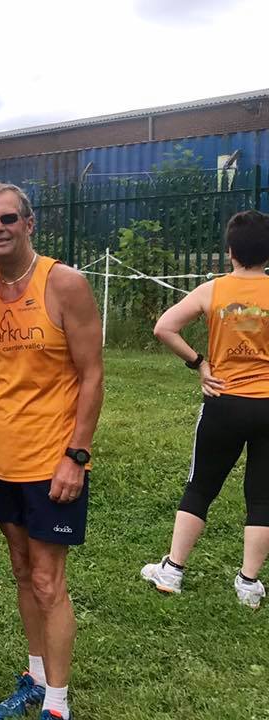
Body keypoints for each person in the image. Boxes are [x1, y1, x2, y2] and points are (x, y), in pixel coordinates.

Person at [0, 182, 103, 720]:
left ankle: (57, 704)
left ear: (30, 223)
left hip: (52, 462)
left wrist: (76, 455)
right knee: (23, 570)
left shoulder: (64, 282)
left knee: (50, 581)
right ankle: (35, 674)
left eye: (8, 219)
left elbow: (92, 374)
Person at [141, 209, 269, 609]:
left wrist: (200, 364)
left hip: (223, 402)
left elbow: (164, 326)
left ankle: (173, 570)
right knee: (263, 497)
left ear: (229, 251)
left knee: (200, 487)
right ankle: (249, 584)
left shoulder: (212, 290)